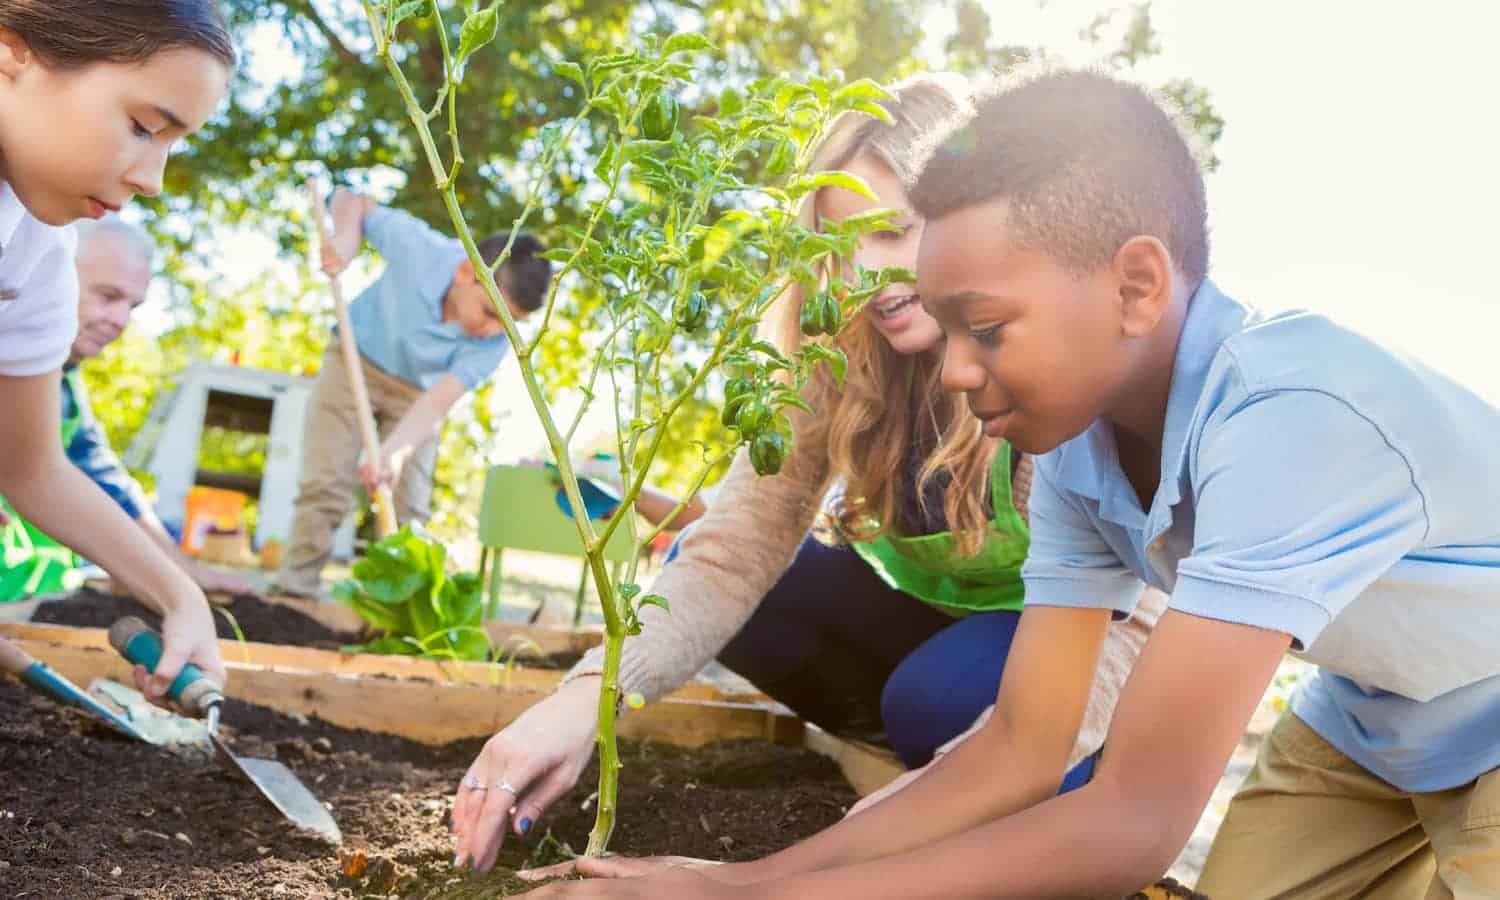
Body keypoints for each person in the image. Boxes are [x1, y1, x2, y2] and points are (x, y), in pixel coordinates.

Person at [529, 68, 1500, 899]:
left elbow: (1135, 820)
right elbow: (1019, 749)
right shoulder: (1082, 448)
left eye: (983, 329)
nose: (950, 371)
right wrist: (741, 879)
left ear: (1137, 286)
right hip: (1372, 717)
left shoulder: (1295, 418)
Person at [451, 74, 1164, 875]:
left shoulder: (1045, 361)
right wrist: (588, 698)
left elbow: (1136, 621)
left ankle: (982, 764)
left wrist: (885, 831)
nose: (867, 274)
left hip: (1070, 650)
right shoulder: (833, 353)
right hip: (932, 632)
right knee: (721, 577)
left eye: (895, 233)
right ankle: (913, 751)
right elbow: (733, 548)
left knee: (935, 696)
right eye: (841, 244)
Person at [0, 0, 235, 700]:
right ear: (13, 51)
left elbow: (31, 465)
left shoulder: (37, 251)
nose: (152, 179)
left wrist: (178, 595)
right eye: (142, 127)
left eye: (171, 144)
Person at [268, 189, 553, 598]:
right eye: (490, 312)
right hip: (354, 365)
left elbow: (438, 401)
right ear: (465, 272)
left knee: (409, 507)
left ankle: (398, 608)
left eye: (507, 324)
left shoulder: (495, 343)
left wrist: (395, 452)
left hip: (417, 396)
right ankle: (293, 592)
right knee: (326, 485)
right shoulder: (424, 250)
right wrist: (346, 238)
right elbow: (353, 199)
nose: (492, 330)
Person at [0, 215, 256, 601]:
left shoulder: (66, 379)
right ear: (53, 275)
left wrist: (179, 573)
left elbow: (106, 481)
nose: (121, 321)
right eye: (107, 296)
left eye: (133, 306)